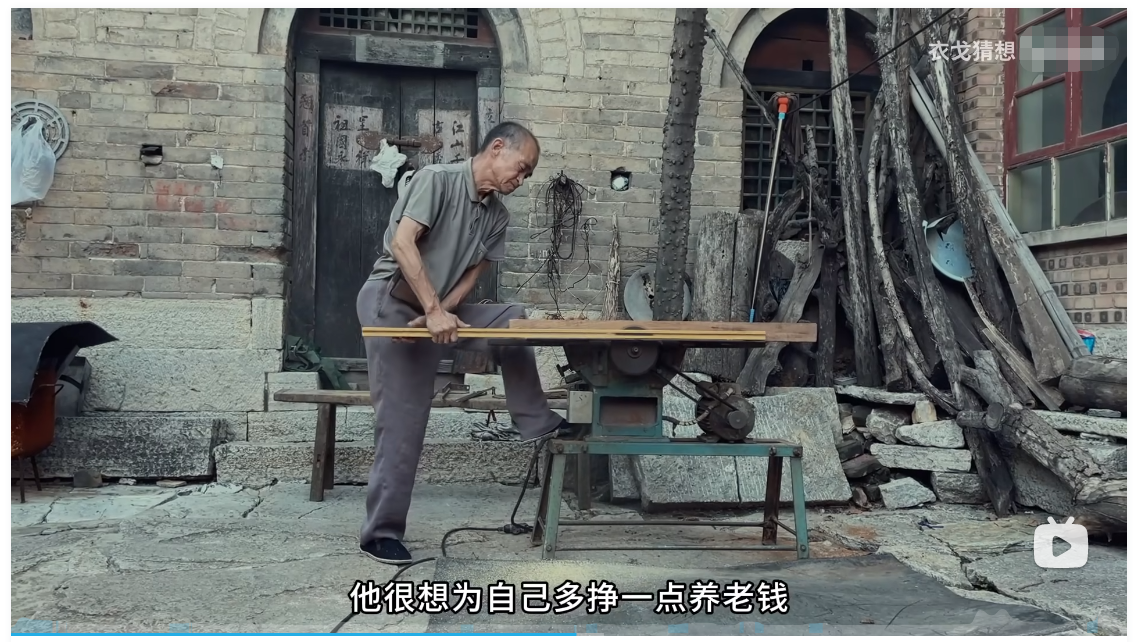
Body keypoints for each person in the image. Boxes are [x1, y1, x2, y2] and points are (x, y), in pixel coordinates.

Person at [355, 121, 570, 565]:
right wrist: (431, 310)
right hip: (390, 302)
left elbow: (473, 275)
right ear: (497, 148)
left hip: (434, 310)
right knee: (404, 419)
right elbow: (403, 244)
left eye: (529, 174)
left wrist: (442, 312)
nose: (522, 179)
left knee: (511, 320)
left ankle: (535, 420)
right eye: (522, 167)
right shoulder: (437, 180)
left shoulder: (497, 216)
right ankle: (380, 534)